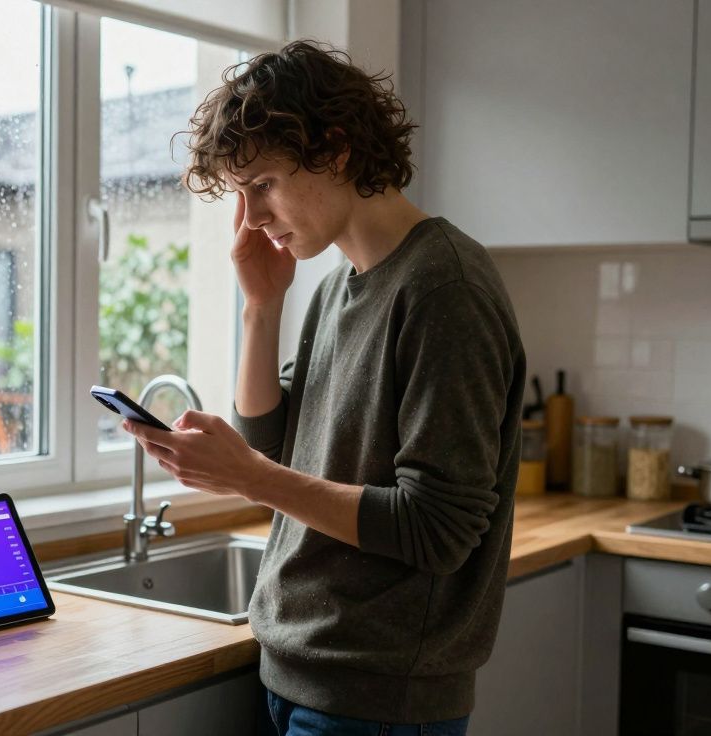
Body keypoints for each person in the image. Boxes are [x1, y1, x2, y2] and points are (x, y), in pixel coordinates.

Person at [120, 40, 526, 736]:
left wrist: (249, 477)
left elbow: (438, 529)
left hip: (378, 695)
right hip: (298, 671)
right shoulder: (338, 283)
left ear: (335, 149)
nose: (252, 217)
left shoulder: (444, 288)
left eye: (264, 185)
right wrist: (261, 307)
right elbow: (275, 442)